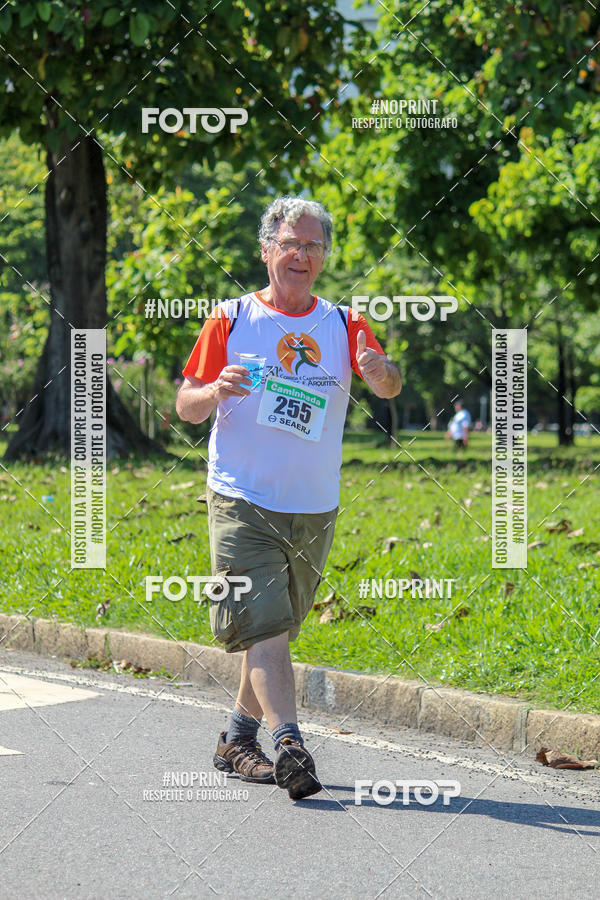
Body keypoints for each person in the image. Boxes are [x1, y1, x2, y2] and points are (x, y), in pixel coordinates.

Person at [176, 196, 401, 800]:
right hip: (241, 499)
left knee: (274, 629)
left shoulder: (344, 323)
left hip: (313, 505)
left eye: (313, 246)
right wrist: (214, 390)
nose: (301, 255)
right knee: (265, 626)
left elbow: (387, 383)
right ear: (266, 250)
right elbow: (185, 405)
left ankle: (236, 738)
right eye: (290, 244)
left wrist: (380, 372)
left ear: (323, 257)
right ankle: (292, 746)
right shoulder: (230, 318)